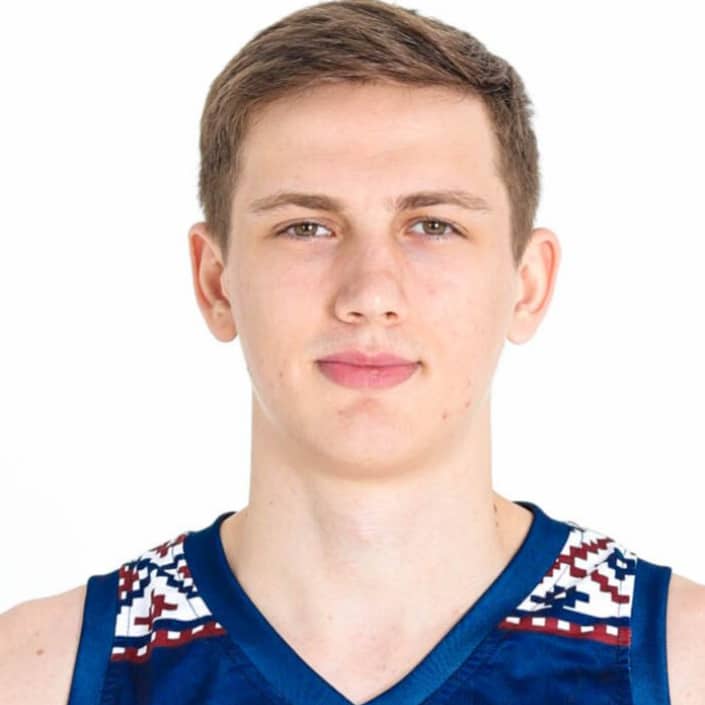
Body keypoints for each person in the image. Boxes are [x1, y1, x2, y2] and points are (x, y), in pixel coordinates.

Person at [1, 0, 703, 703]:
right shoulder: (36, 674)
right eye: (306, 227)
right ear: (215, 281)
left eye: (433, 225)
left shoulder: (682, 663)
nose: (370, 293)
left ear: (528, 284)